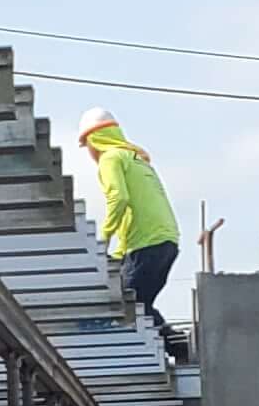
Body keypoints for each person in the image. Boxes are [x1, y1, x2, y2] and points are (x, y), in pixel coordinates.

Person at [78, 105, 190, 360]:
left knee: (126, 303)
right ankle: (176, 347)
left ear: (95, 141)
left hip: (146, 244)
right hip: (167, 242)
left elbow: (119, 200)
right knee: (140, 304)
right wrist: (119, 253)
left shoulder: (110, 159)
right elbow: (138, 210)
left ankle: (177, 347)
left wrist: (103, 241)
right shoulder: (136, 159)